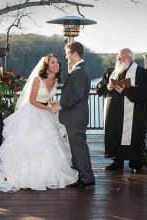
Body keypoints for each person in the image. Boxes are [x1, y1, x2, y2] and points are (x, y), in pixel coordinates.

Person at [0, 54, 78, 192]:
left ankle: (46, 175)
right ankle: (20, 175)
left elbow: (47, 98)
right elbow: (32, 101)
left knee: (48, 144)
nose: (56, 65)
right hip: (33, 113)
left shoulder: (55, 81)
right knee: (28, 144)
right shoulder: (37, 79)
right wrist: (47, 107)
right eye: (52, 63)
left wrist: (51, 104)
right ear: (46, 66)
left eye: (57, 63)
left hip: (46, 114)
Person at [95, 48, 147, 173]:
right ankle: (117, 161)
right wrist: (107, 87)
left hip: (134, 114)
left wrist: (125, 90)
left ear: (129, 58)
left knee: (134, 136)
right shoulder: (111, 72)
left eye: (120, 58)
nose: (117, 60)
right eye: (117, 58)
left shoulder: (142, 73)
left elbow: (144, 92)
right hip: (114, 113)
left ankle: (136, 163)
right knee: (116, 134)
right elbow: (99, 87)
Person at [59, 42, 95, 187]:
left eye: (67, 53)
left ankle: (86, 178)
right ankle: (81, 175)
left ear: (74, 54)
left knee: (79, 147)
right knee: (77, 147)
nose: (66, 57)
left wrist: (61, 105)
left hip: (76, 116)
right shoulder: (81, 68)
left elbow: (78, 95)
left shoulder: (79, 70)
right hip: (77, 116)